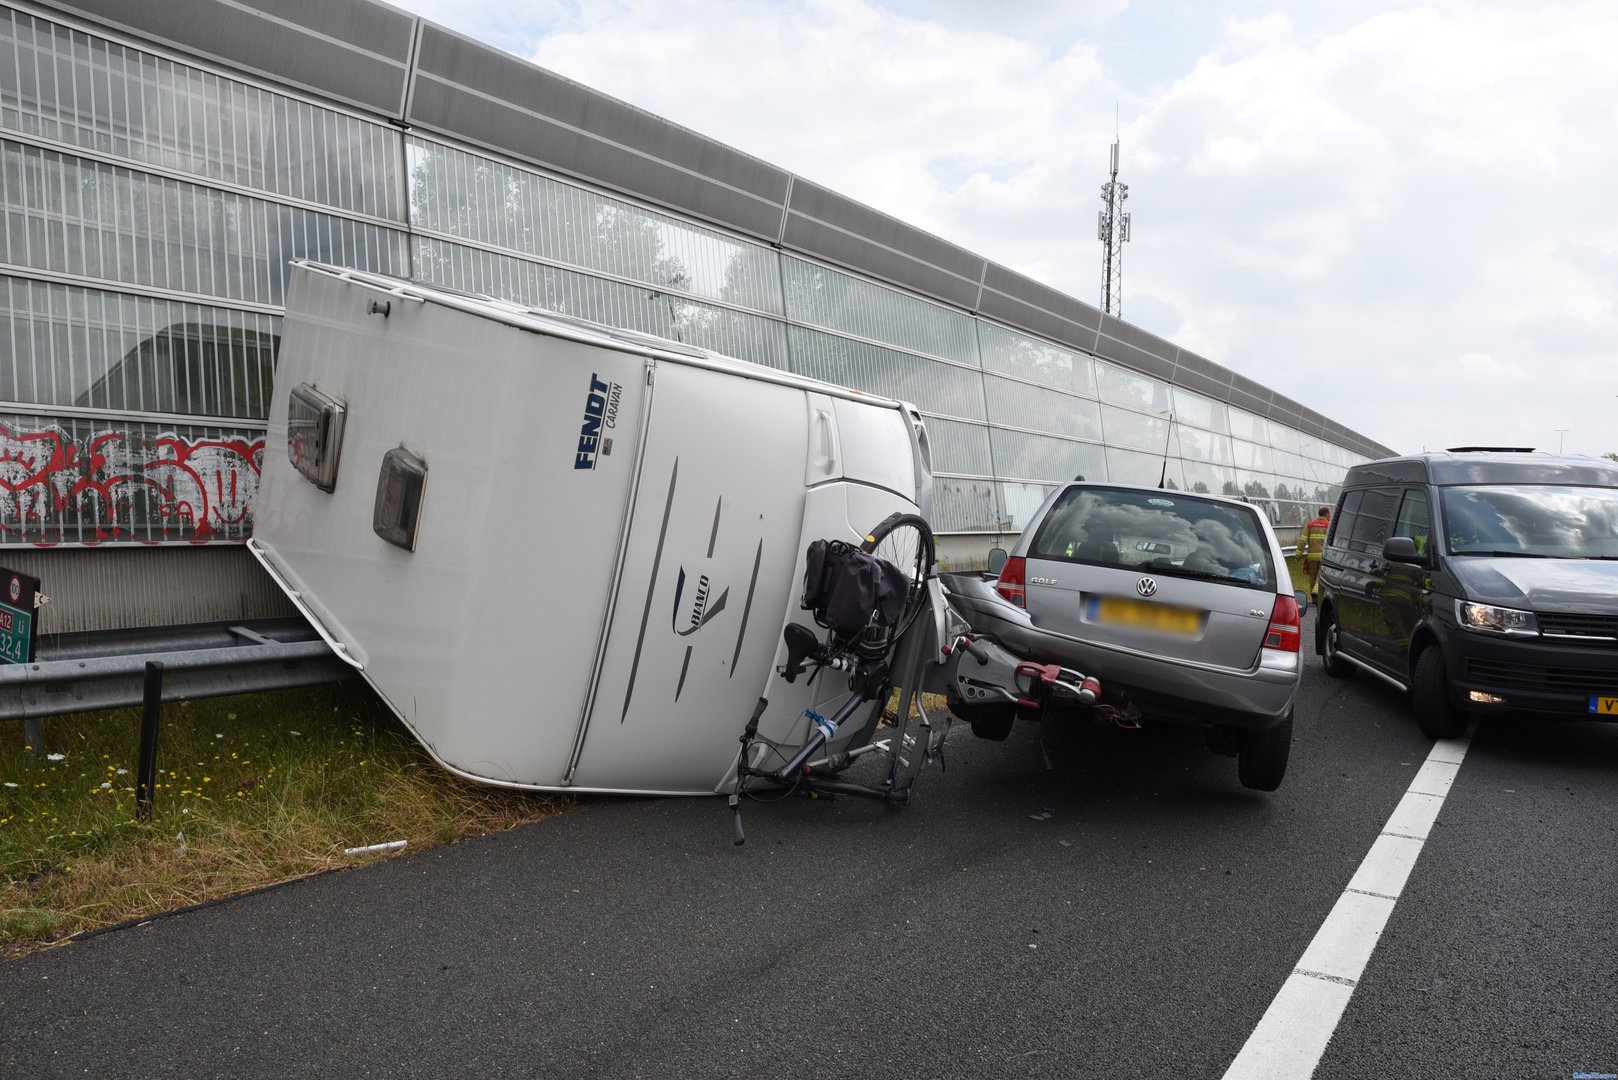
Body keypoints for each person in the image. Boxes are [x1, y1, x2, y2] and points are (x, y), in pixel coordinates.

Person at [1299, 506, 1331, 601]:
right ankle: (1319, 596)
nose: (1330, 516)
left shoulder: (1310, 525)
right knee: (1321, 578)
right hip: (1324, 558)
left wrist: (1298, 554)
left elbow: (1302, 540)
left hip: (1312, 558)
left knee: (1312, 578)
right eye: (1329, 514)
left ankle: (1314, 598)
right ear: (1326, 514)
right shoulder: (1329, 525)